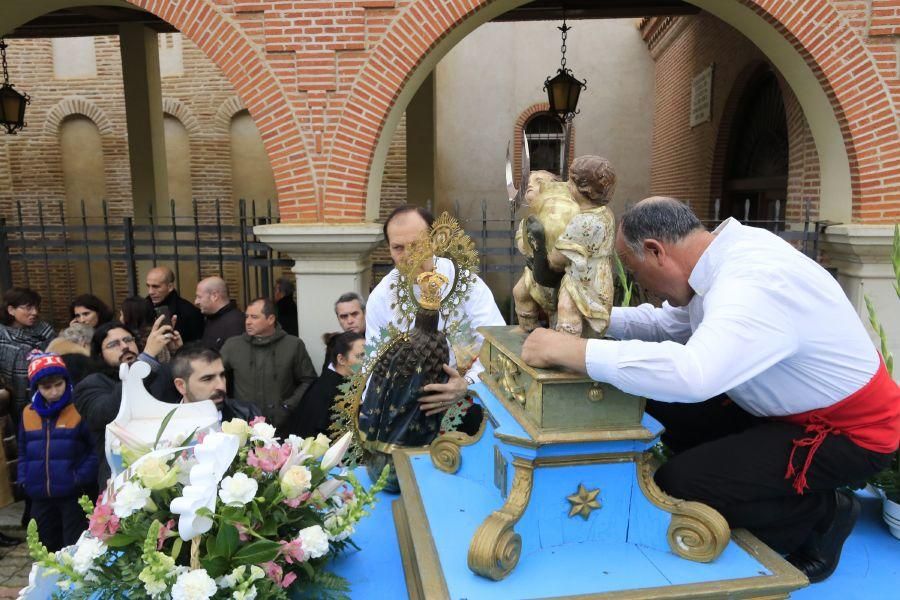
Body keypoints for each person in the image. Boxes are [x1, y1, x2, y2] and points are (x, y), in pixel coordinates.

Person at [521, 196, 900, 583]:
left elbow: (694, 374)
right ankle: (730, 469)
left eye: (635, 273)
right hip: (777, 409)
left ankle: (823, 513)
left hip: (846, 434)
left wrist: (577, 351)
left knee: (679, 488)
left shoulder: (751, 280)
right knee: (645, 396)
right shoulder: (715, 260)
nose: (641, 286)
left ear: (656, 251)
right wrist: (590, 318)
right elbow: (669, 325)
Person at [366, 206, 505, 416]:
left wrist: (467, 384)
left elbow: (497, 347)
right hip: (406, 408)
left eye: (416, 245)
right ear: (389, 249)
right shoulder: (381, 296)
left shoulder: (468, 285)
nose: (409, 256)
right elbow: (374, 360)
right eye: (398, 248)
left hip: (469, 404)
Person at [74, 317, 182, 486]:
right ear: (100, 354)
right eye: (113, 344)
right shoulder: (90, 385)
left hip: (168, 472)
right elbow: (108, 412)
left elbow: (190, 390)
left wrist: (179, 354)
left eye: (128, 340)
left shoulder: (159, 373)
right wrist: (146, 360)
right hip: (123, 480)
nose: (124, 346)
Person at [18, 352, 97, 551]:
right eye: (46, 387)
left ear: (66, 381)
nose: (54, 392)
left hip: (72, 494)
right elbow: (23, 451)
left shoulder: (78, 408)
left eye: (58, 384)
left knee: (73, 546)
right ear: (36, 387)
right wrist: (24, 478)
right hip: (39, 495)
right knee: (44, 546)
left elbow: (95, 448)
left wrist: (78, 478)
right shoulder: (28, 413)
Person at [220, 298, 316, 431]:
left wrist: (288, 406)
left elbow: (308, 380)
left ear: (271, 319)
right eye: (246, 317)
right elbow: (213, 376)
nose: (248, 322)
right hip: (243, 425)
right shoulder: (233, 345)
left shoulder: (293, 345)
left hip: (282, 424)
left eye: (254, 317)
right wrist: (230, 405)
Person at [285, 331, 365, 439]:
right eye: (360, 356)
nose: (367, 361)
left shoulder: (334, 383)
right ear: (341, 359)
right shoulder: (332, 390)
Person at [0, 287, 56, 420]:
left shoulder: (45, 331)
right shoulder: (2, 334)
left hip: (42, 396)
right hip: (8, 402)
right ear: (11, 310)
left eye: (36, 307)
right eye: (28, 308)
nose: (35, 312)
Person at [171, 344, 260, 423]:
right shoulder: (164, 425)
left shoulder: (249, 415)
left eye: (222, 375)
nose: (221, 386)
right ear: (181, 386)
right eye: (207, 379)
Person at [145, 266, 204, 343]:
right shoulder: (143, 307)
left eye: (156, 286)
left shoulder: (189, 312)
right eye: (148, 286)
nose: (150, 292)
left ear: (170, 287)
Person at [194, 277, 244, 350]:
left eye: (199, 297)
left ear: (214, 296)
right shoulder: (211, 317)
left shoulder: (235, 323)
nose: (196, 302)